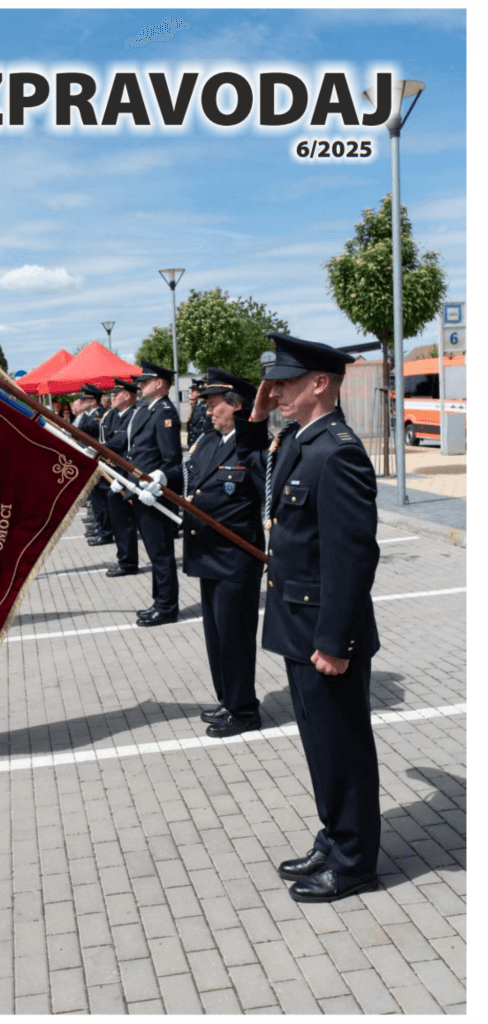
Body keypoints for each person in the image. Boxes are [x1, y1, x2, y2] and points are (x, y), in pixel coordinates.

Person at [235, 331, 381, 903]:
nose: (274, 392)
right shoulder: (301, 439)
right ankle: (335, 834)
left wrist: (336, 639)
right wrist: (258, 415)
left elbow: (352, 556)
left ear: (320, 384)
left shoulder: (337, 450)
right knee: (321, 745)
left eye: (286, 382)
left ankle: (354, 862)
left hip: (325, 632)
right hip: (300, 628)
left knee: (343, 747)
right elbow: (257, 468)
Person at [182, 369, 264, 737]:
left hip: (235, 558)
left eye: (215, 405)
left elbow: (270, 500)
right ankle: (229, 699)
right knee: (216, 638)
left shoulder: (254, 447)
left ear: (237, 406)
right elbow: (188, 476)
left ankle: (245, 709)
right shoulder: (211, 442)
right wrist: (153, 477)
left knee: (235, 638)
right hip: (208, 555)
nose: (209, 412)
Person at [125, 360, 182, 626]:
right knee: (154, 553)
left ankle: (167, 607)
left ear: (160, 383)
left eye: (145, 381)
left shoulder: (164, 413)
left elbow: (170, 461)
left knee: (161, 554)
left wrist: (160, 485)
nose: (141, 385)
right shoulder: (150, 410)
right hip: (142, 491)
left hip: (155, 494)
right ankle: (159, 601)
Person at [103, 378, 140, 576]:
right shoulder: (118, 415)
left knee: (125, 524)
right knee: (120, 523)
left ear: (126, 396)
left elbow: (121, 442)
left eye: (116, 394)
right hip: (117, 476)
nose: (112, 398)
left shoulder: (133, 416)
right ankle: (125, 559)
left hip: (126, 478)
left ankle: (128, 563)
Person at [78, 384, 113, 546]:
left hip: (99, 461)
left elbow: (87, 430)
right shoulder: (88, 415)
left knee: (101, 500)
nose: (81, 402)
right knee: (96, 499)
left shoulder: (99, 414)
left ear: (93, 401)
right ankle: (100, 528)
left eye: (85, 399)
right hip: (90, 460)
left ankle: (105, 532)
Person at [186, 378, 214, 448]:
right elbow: (192, 426)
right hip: (194, 443)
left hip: (202, 444)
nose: (191, 393)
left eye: (193, 391)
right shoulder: (197, 406)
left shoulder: (208, 407)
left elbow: (205, 429)